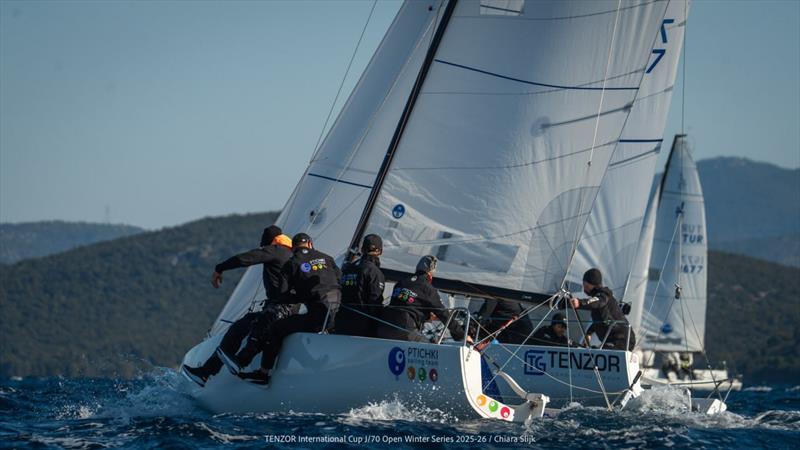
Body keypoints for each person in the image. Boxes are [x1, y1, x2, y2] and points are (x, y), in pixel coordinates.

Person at [181, 225, 295, 387]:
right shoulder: (294, 254)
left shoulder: (275, 250)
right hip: (291, 312)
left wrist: (220, 268)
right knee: (247, 322)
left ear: (269, 243)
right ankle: (209, 371)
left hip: (277, 310)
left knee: (239, 327)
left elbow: (245, 258)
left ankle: (210, 371)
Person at [228, 232, 342, 385]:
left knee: (276, 328)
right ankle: (310, 362)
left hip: (317, 318)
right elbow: (339, 279)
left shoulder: (291, 263)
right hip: (338, 315)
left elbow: (282, 294)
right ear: (309, 243)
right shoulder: (328, 258)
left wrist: (299, 296)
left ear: (293, 248)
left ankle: (263, 373)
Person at [375, 255, 472, 344]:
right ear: (430, 274)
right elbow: (444, 314)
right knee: (432, 348)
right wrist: (461, 335)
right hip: (405, 331)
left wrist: (425, 316)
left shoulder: (401, 283)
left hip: (383, 328)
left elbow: (407, 304)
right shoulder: (428, 289)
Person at [569, 268, 636, 351]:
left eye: (585, 285)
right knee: (596, 351)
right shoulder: (597, 301)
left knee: (598, 353)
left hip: (622, 339)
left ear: (593, 284)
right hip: (615, 339)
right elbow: (604, 320)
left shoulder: (604, 295)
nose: (584, 288)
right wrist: (589, 333)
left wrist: (580, 302)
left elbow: (599, 301)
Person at [334, 234, 386, 337]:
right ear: (380, 251)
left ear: (362, 249)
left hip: (341, 321)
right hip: (361, 327)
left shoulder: (347, 268)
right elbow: (375, 303)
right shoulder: (375, 272)